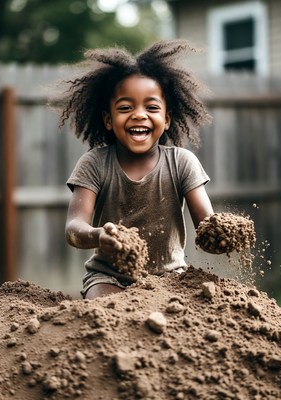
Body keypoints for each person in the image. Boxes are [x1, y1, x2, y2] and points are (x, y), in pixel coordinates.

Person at [60, 39, 214, 300]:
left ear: (166, 120)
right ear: (108, 120)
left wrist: (221, 232)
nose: (139, 115)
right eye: (125, 107)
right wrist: (99, 236)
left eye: (151, 107)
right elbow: (74, 229)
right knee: (102, 307)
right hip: (110, 277)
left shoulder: (182, 162)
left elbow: (206, 225)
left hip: (172, 277)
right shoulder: (95, 163)